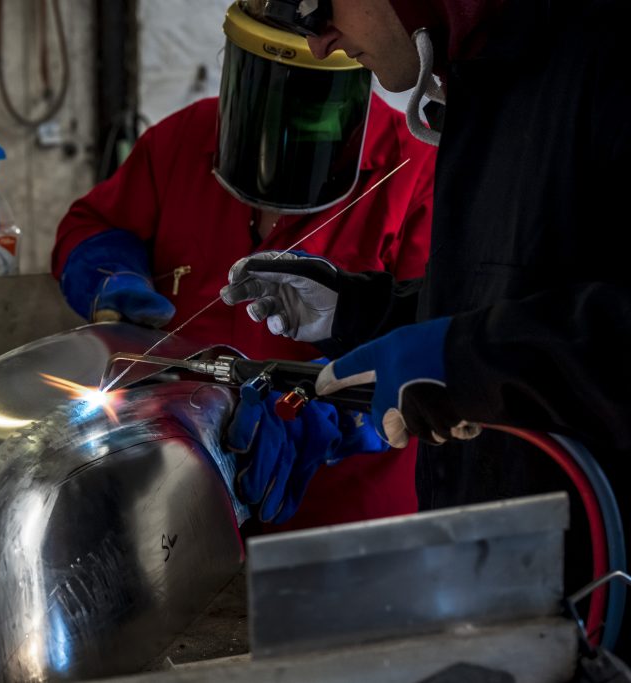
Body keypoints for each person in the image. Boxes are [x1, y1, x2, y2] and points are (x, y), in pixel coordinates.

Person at [221, 0, 631, 655]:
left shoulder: (608, 55)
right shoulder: (488, 69)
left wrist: (463, 362)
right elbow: (520, 296)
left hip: (609, 602)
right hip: (511, 593)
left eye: (319, 4)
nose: (321, 41)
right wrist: (359, 313)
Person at [52, 2, 438, 530]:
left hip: (345, 516)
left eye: (307, 103)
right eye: (266, 90)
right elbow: (91, 224)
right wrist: (108, 271)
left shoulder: (415, 170)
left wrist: (329, 426)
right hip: (173, 497)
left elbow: (435, 341)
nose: (282, 124)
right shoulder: (183, 138)